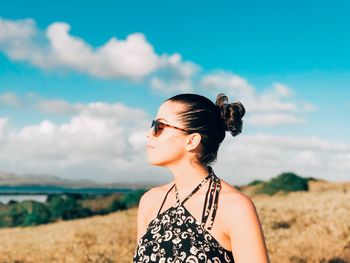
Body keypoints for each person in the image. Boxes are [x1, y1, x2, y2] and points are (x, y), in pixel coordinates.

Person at [133, 93, 270, 262]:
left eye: (159, 126)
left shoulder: (234, 206)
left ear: (192, 140)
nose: (149, 133)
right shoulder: (150, 201)